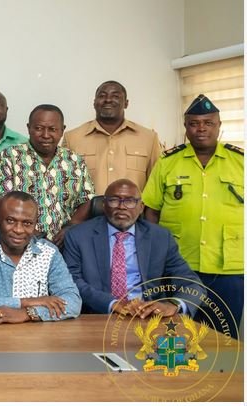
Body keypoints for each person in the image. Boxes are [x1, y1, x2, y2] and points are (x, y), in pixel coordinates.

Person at [142, 94, 243, 339]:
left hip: (229, 269)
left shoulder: (240, 162)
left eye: (208, 123)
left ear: (219, 126)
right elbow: (151, 211)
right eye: (194, 123)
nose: (201, 129)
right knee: (171, 336)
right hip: (178, 266)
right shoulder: (168, 163)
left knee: (224, 338)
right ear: (185, 127)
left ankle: (220, 379)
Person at [63, 179, 204, 316]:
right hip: (98, 315)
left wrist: (174, 305)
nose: (122, 206)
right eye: (114, 200)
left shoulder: (160, 237)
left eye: (130, 201)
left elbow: (191, 283)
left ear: (141, 207)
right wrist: (112, 303)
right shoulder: (78, 236)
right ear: (104, 205)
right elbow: (71, 281)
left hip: (147, 315)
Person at [0, 191, 82, 324]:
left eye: (27, 223)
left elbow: (73, 302)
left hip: (38, 339)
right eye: (10, 221)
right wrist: (25, 302)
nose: (18, 230)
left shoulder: (49, 252)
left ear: (35, 224)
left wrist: (28, 313)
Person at [0, 104, 95, 248]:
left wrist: (71, 227)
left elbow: (87, 199)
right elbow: (0, 198)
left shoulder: (74, 160)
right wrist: (30, 231)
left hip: (66, 244)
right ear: (29, 128)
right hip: (21, 243)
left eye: (52, 129)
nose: (45, 135)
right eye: (38, 128)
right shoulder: (10, 156)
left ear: (62, 130)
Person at [63, 81, 162, 194]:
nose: (108, 100)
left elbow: (156, 184)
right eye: (102, 96)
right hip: (87, 211)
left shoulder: (148, 138)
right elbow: (65, 184)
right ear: (94, 103)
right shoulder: (72, 138)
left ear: (126, 103)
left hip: (133, 211)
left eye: (115, 96)